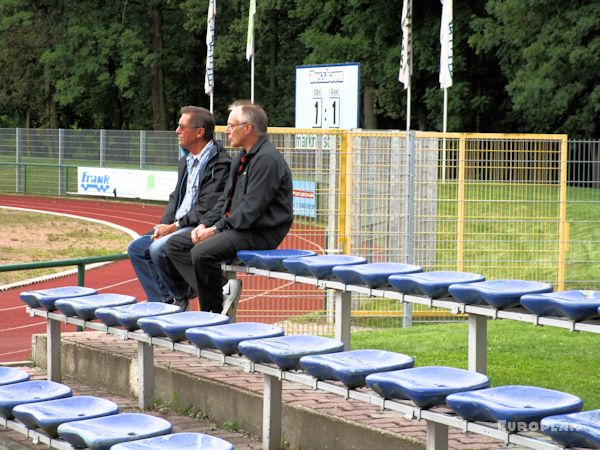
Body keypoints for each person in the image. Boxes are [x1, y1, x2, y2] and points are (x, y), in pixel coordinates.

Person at [165, 100, 294, 314]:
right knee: (175, 244)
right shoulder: (241, 158)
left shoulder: (267, 160)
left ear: (248, 128)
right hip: (239, 227)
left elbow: (250, 211)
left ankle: (212, 315)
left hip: (260, 232)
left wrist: (215, 230)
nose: (226, 131)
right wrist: (205, 223)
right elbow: (225, 202)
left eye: (231, 126)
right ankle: (222, 288)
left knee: (201, 253)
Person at [127, 106, 231, 308]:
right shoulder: (186, 160)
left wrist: (172, 228)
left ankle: (180, 298)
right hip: (179, 224)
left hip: (199, 226)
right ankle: (163, 305)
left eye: (182, 127)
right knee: (137, 249)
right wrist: (163, 225)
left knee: (158, 248)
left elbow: (205, 209)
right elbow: (175, 198)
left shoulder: (219, 164)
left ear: (199, 132)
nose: (177, 130)